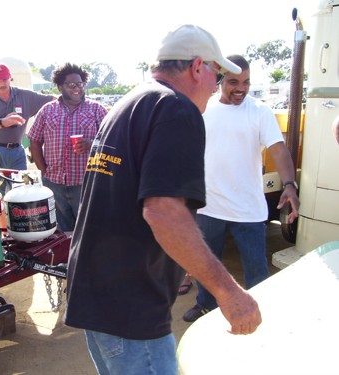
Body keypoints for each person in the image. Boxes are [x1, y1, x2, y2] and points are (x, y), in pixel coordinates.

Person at [64, 25, 262, 375]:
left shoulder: (133, 100)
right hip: (130, 309)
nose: (216, 88)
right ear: (198, 67)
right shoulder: (176, 109)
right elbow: (164, 211)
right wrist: (229, 293)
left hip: (98, 296)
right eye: (217, 76)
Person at [183, 54, 300, 323]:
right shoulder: (204, 108)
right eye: (234, 81)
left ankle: (261, 314)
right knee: (207, 265)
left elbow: (278, 150)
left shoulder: (259, 111)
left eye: (247, 82)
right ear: (220, 79)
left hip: (248, 209)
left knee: (257, 271)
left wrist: (290, 185)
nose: (242, 88)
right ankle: (206, 305)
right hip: (209, 205)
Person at [28, 63, 108, 232]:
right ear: (60, 86)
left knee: (89, 232)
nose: (77, 88)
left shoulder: (97, 110)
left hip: (86, 184)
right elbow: (34, 141)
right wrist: (44, 171)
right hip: (54, 184)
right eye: (71, 85)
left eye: (80, 84)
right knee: (60, 234)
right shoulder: (47, 111)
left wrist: (91, 144)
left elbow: (114, 142)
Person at [0, 64, 56, 174]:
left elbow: (53, 100)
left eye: (4, 79)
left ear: (10, 77)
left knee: (19, 187)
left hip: (17, 150)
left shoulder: (24, 95)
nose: (2, 83)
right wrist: (3, 122)